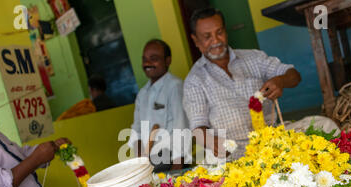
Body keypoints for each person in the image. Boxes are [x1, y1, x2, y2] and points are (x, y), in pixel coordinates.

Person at [183, 7, 339, 160]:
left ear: (225, 31)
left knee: (324, 125)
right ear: (196, 40)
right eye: (207, 36)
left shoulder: (253, 58)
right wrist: (210, 141)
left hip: (273, 139)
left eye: (219, 32)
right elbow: (198, 126)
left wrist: (281, 81)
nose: (216, 40)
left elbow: (294, 75)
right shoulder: (195, 81)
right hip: (234, 152)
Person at [128, 39, 190, 172]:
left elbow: (182, 126)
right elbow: (136, 128)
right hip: (147, 161)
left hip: (171, 159)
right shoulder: (142, 94)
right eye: (144, 59)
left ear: (168, 61)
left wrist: (177, 167)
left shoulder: (175, 86)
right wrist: (139, 158)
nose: (147, 63)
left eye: (154, 58)